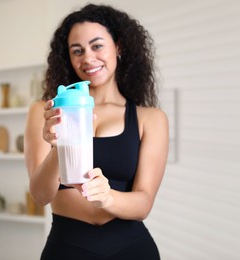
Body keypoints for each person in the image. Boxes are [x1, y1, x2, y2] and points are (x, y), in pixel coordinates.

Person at [24, 3, 169, 260]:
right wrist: (60, 145)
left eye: (97, 45)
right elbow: (40, 195)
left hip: (132, 248)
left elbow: (143, 203)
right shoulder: (46, 112)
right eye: (77, 50)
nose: (88, 58)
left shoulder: (150, 119)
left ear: (119, 46)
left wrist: (107, 197)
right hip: (67, 248)